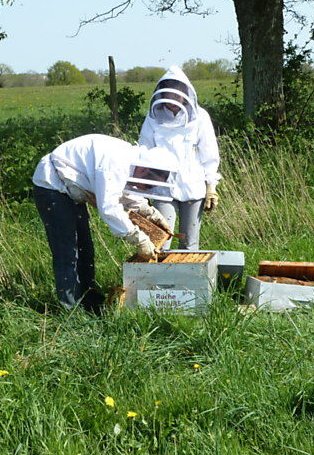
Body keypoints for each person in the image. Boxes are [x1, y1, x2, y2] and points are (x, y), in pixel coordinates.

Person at [32, 134, 177, 313]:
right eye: (147, 184)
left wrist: (150, 212)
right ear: (144, 170)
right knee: (68, 252)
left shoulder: (129, 162)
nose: (144, 188)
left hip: (71, 189)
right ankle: (70, 311)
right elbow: (109, 207)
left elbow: (123, 191)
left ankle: (89, 300)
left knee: (85, 249)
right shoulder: (115, 163)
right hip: (53, 186)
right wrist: (138, 239)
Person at [138, 65, 221, 250]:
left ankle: (188, 278)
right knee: (160, 240)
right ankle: (160, 279)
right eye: (170, 95)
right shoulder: (153, 118)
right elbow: (144, 152)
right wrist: (142, 191)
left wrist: (211, 187)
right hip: (162, 187)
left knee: (189, 244)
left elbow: (209, 154)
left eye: (177, 95)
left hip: (193, 185)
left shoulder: (200, 117)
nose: (173, 100)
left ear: (185, 93)